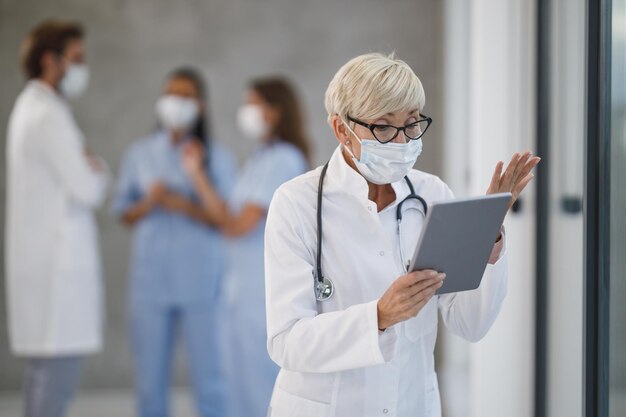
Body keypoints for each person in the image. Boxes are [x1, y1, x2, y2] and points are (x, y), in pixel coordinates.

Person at [263, 53, 541, 417]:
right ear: (341, 129)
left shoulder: (433, 195)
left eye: (411, 124)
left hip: (411, 403)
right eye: (382, 127)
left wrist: (485, 239)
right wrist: (378, 316)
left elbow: (469, 324)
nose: (400, 141)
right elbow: (286, 342)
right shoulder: (296, 203)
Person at [181, 77, 310, 417]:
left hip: (259, 293)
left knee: (258, 385)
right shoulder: (260, 159)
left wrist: (198, 185)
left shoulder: (283, 158)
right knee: (237, 384)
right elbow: (227, 216)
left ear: (274, 111)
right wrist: (196, 174)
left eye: (253, 103)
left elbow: (237, 226)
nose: (246, 111)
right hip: (239, 290)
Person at [111, 68, 236, 417]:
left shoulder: (216, 158)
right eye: (171, 94)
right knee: (150, 383)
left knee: (211, 378)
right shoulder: (139, 154)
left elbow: (224, 219)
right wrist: (150, 202)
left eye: (185, 95)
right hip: (151, 283)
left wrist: (183, 200)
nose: (175, 102)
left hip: (200, 281)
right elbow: (124, 213)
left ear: (201, 106)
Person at [5, 20, 110, 417]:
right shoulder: (47, 115)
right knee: (54, 383)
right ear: (51, 60)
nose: (82, 68)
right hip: (56, 274)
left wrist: (89, 164)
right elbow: (89, 186)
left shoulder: (33, 109)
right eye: (77, 59)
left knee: (44, 379)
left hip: (47, 269)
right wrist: (96, 164)